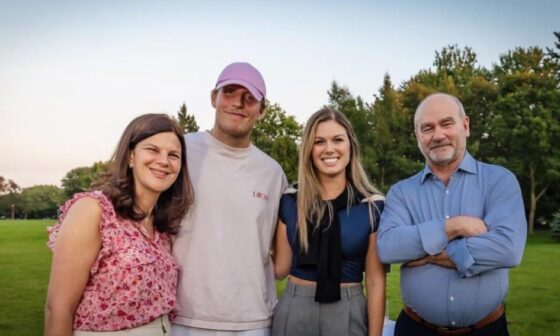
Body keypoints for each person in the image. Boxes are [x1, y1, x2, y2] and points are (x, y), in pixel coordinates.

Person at [377, 93, 527, 336]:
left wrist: (432, 255)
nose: (438, 135)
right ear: (417, 137)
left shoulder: (499, 181)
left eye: (447, 124)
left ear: (465, 126)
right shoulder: (401, 193)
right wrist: (453, 227)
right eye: (427, 128)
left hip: (487, 330)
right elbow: (388, 248)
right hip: (416, 329)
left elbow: (508, 249)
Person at [45, 113, 194, 335]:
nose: (163, 161)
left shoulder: (161, 226)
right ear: (131, 157)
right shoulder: (94, 210)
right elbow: (58, 308)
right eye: (152, 150)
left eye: (173, 155)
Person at [171, 62, 288, 336]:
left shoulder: (272, 173)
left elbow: (281, 258)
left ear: (261, 110)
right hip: (183, 318)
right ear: (214, 98)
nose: (238, 103)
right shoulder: (180, 152)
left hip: (253, 321)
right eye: (230, 93)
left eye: (249, 98)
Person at [272, 108, 386, 336]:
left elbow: (375, 282)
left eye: (337, 140)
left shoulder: (372, 206)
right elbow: (280, 269)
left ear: (350, 146)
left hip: (347, 310)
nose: (329, 149)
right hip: (295, 308)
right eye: (319, 142)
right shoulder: (290, 200)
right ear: (309, 150)